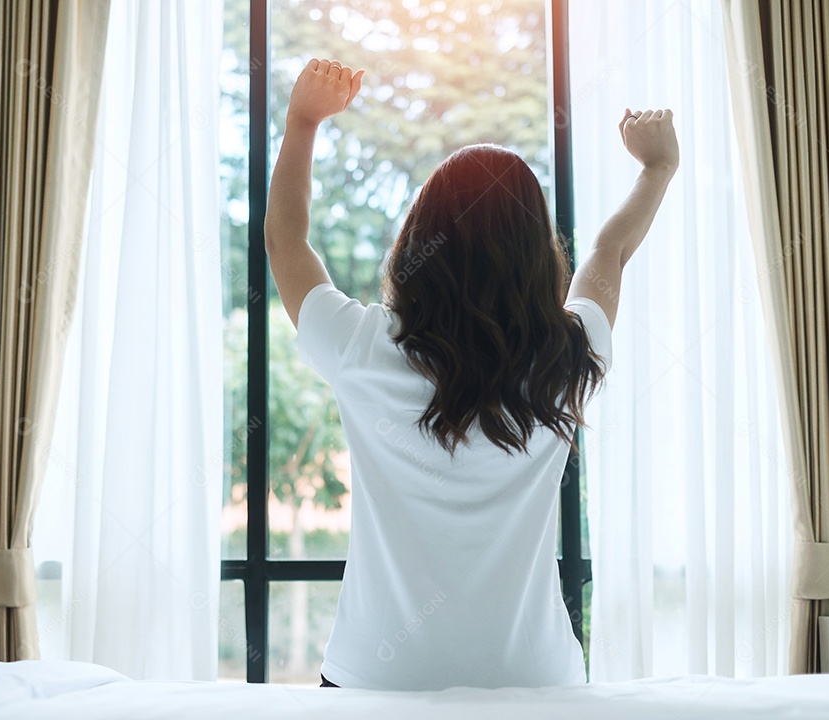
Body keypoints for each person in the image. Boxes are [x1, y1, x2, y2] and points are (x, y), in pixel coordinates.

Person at [265, 57, 680, 691]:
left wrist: (302, 122)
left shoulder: (361, 346)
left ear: (417, 241)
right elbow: (607, 253)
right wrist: (657, 168)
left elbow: (286, 243)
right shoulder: (569, 358)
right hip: (535, 679)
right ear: (538, 251)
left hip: (379, 677)